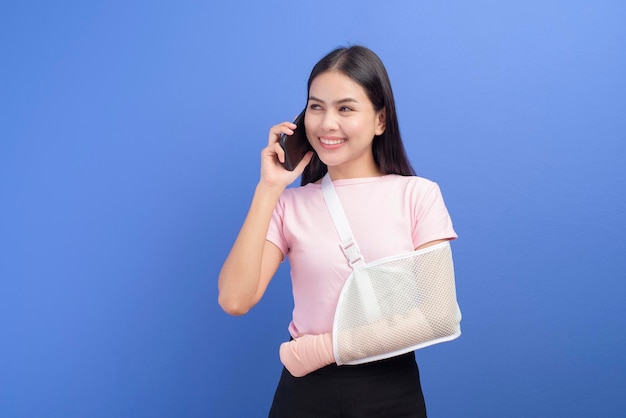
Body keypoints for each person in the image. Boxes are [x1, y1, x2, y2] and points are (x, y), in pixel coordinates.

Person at [218, 45, 458, 417]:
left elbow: (438, 315)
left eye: (345, 108)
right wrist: (268, 189)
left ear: (380, 120)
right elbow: (235, 300)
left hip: (390, 391)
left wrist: (324, 348)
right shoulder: (289, 205)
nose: (327, 123)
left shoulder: (417, 195)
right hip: (305, 395)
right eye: (317, 107)